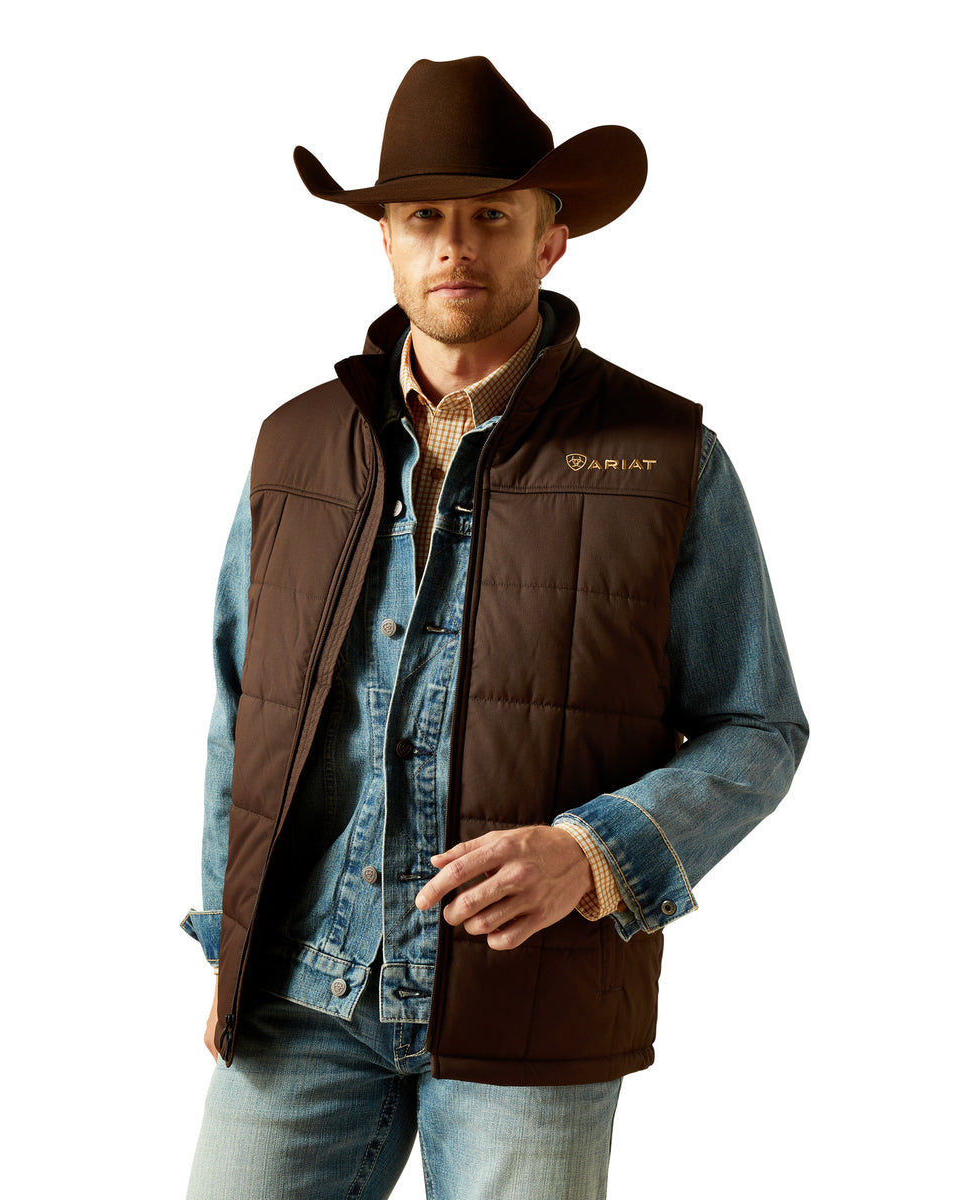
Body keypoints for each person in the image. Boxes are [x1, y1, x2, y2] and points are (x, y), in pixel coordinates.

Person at [181, 56, 808, 1200]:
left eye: (490, 217)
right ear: (385, 238)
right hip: (302, 994)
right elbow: (242, 703)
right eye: (424, 217)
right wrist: (225, 945)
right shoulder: (297, 447)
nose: (454, 246)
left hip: (531, 1010)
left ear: (549, 239)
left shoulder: (664, 457)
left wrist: (591, 852)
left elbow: (759, 725)